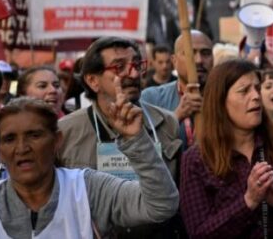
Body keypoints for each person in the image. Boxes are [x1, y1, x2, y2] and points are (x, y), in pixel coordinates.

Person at [0, 96, 180, 238]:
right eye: (10, 139)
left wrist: (137, 141)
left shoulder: (87, 189)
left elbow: (161, 205)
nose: (22, 148)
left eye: (34, 135)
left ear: (56, 141)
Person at [179, 60, 273, 238]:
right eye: (244, 91)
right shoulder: (196, 159)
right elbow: (199, 234)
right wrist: (248, 201)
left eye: (257, 88)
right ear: (220, 101)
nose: (256, 96)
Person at [59, 37, 182, 182]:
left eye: (137, 65)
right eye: (119, 67)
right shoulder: (66, 132)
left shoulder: (166, 123)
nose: (135, 74)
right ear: (93, 81)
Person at [141, 30, 213, 149]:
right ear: (174, 61)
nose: (199, 60)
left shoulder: (227, 98)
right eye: (190, 53)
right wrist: (177, 116)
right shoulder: (151, 99)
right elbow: (142, 149)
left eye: (206, 53)